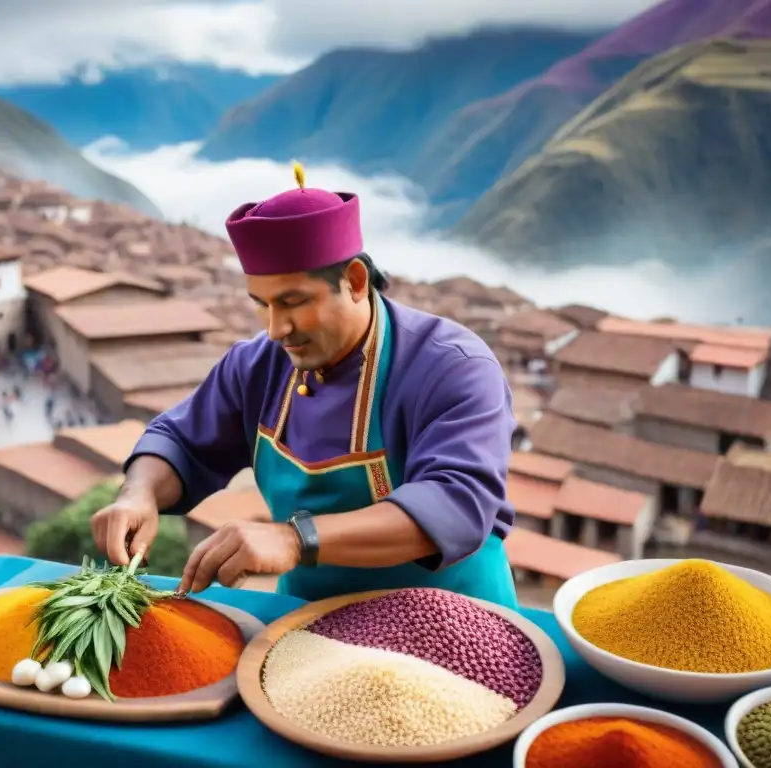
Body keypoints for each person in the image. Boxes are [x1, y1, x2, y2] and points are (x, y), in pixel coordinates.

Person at [91, 163, 519, 607]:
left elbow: (457, 503)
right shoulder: (256, 364)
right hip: (308, 623)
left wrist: (295, 540)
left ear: (354, 281)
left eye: (293, 302)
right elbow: (179, 440)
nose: (277, 329)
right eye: (262, 305)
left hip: (456, 617)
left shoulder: (453, 366)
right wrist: (138, 493)